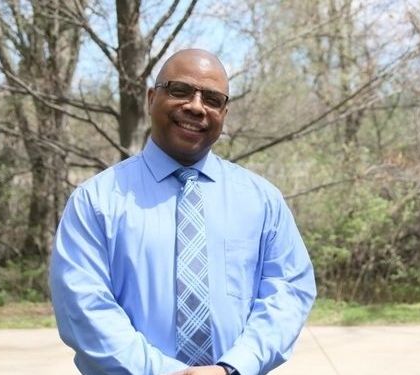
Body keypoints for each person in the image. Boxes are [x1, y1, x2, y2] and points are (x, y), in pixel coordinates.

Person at [50, 49, 317, 375]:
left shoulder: (261, 201)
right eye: (180, 90)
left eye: (213, 99)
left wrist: (233, 367)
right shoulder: (96, 202)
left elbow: (288, 292)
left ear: (224, 113)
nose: (195, 106)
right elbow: (84, 308)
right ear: (151, 99)